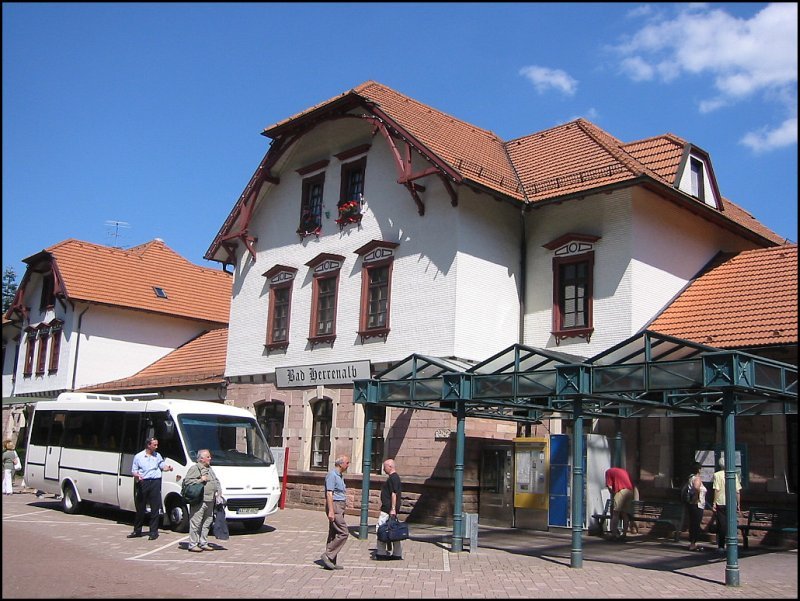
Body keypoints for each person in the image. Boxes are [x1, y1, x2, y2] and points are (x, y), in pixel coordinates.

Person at [127, 437, 174, 540]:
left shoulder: (158, 455)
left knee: (155, 508)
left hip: (155, 482)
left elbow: (162, 466)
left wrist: (168, 468)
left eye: (157, 445)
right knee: (140, 507)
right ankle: (137, 530)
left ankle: (153, 532)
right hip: (144, 482)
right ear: (148, 445)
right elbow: (134, 470)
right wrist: (137, 476)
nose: (156, 447)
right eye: (154, 445)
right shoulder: (138, 456)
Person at [183, 449, 222, 552]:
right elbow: (187, 482)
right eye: (208, 457)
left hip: (210, 500)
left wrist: (219, 492)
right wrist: (201, 480)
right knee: (196, 522)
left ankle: (203, 542)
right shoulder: (195, 468)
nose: (210, 458)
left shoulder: (209, 468)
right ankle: (193, 544)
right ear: (201, 459)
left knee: (207, 522)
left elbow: (215, 481)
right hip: (200, 500)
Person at [320, 454, 350, 570]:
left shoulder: (340, 476)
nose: (348, 465)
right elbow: (329, 493)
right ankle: (328, 555)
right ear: (340, 464)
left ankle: (330, 561)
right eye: (347, 463)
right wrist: (331, 511)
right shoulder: (332, 475)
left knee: (333, 533)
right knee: (344, 532)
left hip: (340, 506)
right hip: (335, 506)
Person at [374, 458, 403, 561]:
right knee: (393, 529)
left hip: (388, 510)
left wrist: (393, 509)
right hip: (389, 509)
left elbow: (394, 494)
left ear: (390, 467)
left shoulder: (393, 478)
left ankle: (381, 553)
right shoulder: (393, 477)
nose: (383, 468)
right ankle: (397, 553)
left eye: (385, 466)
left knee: (380, 529)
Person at [712, 455, 742, 551]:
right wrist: (738, 504)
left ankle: (721, 545)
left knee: (722, 524)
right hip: (731, 502)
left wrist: (714, 502)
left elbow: (716, 490)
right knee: (731, 522)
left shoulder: (717, 475)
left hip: (720, 502)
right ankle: (732, 543)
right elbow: (737, 491)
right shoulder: (734, 474)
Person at [605, 466, 635, 541]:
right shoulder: (624, 471)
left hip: (621, 491)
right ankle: (624, 534)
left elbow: (609, 486)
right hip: (630, 491)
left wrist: (613, 494)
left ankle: (614, 535)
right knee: (625, 514)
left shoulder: (608, 472)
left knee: (615, 513)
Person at [686, 461, 707, 551]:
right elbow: (696, 487)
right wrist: (697, 496)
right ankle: (693, 543)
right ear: (699, 469)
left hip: (691, 504)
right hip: (697, 504)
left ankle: (692, 542)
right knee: (696, 523)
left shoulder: (691, 478)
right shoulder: (697, 478)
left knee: (693, 523)